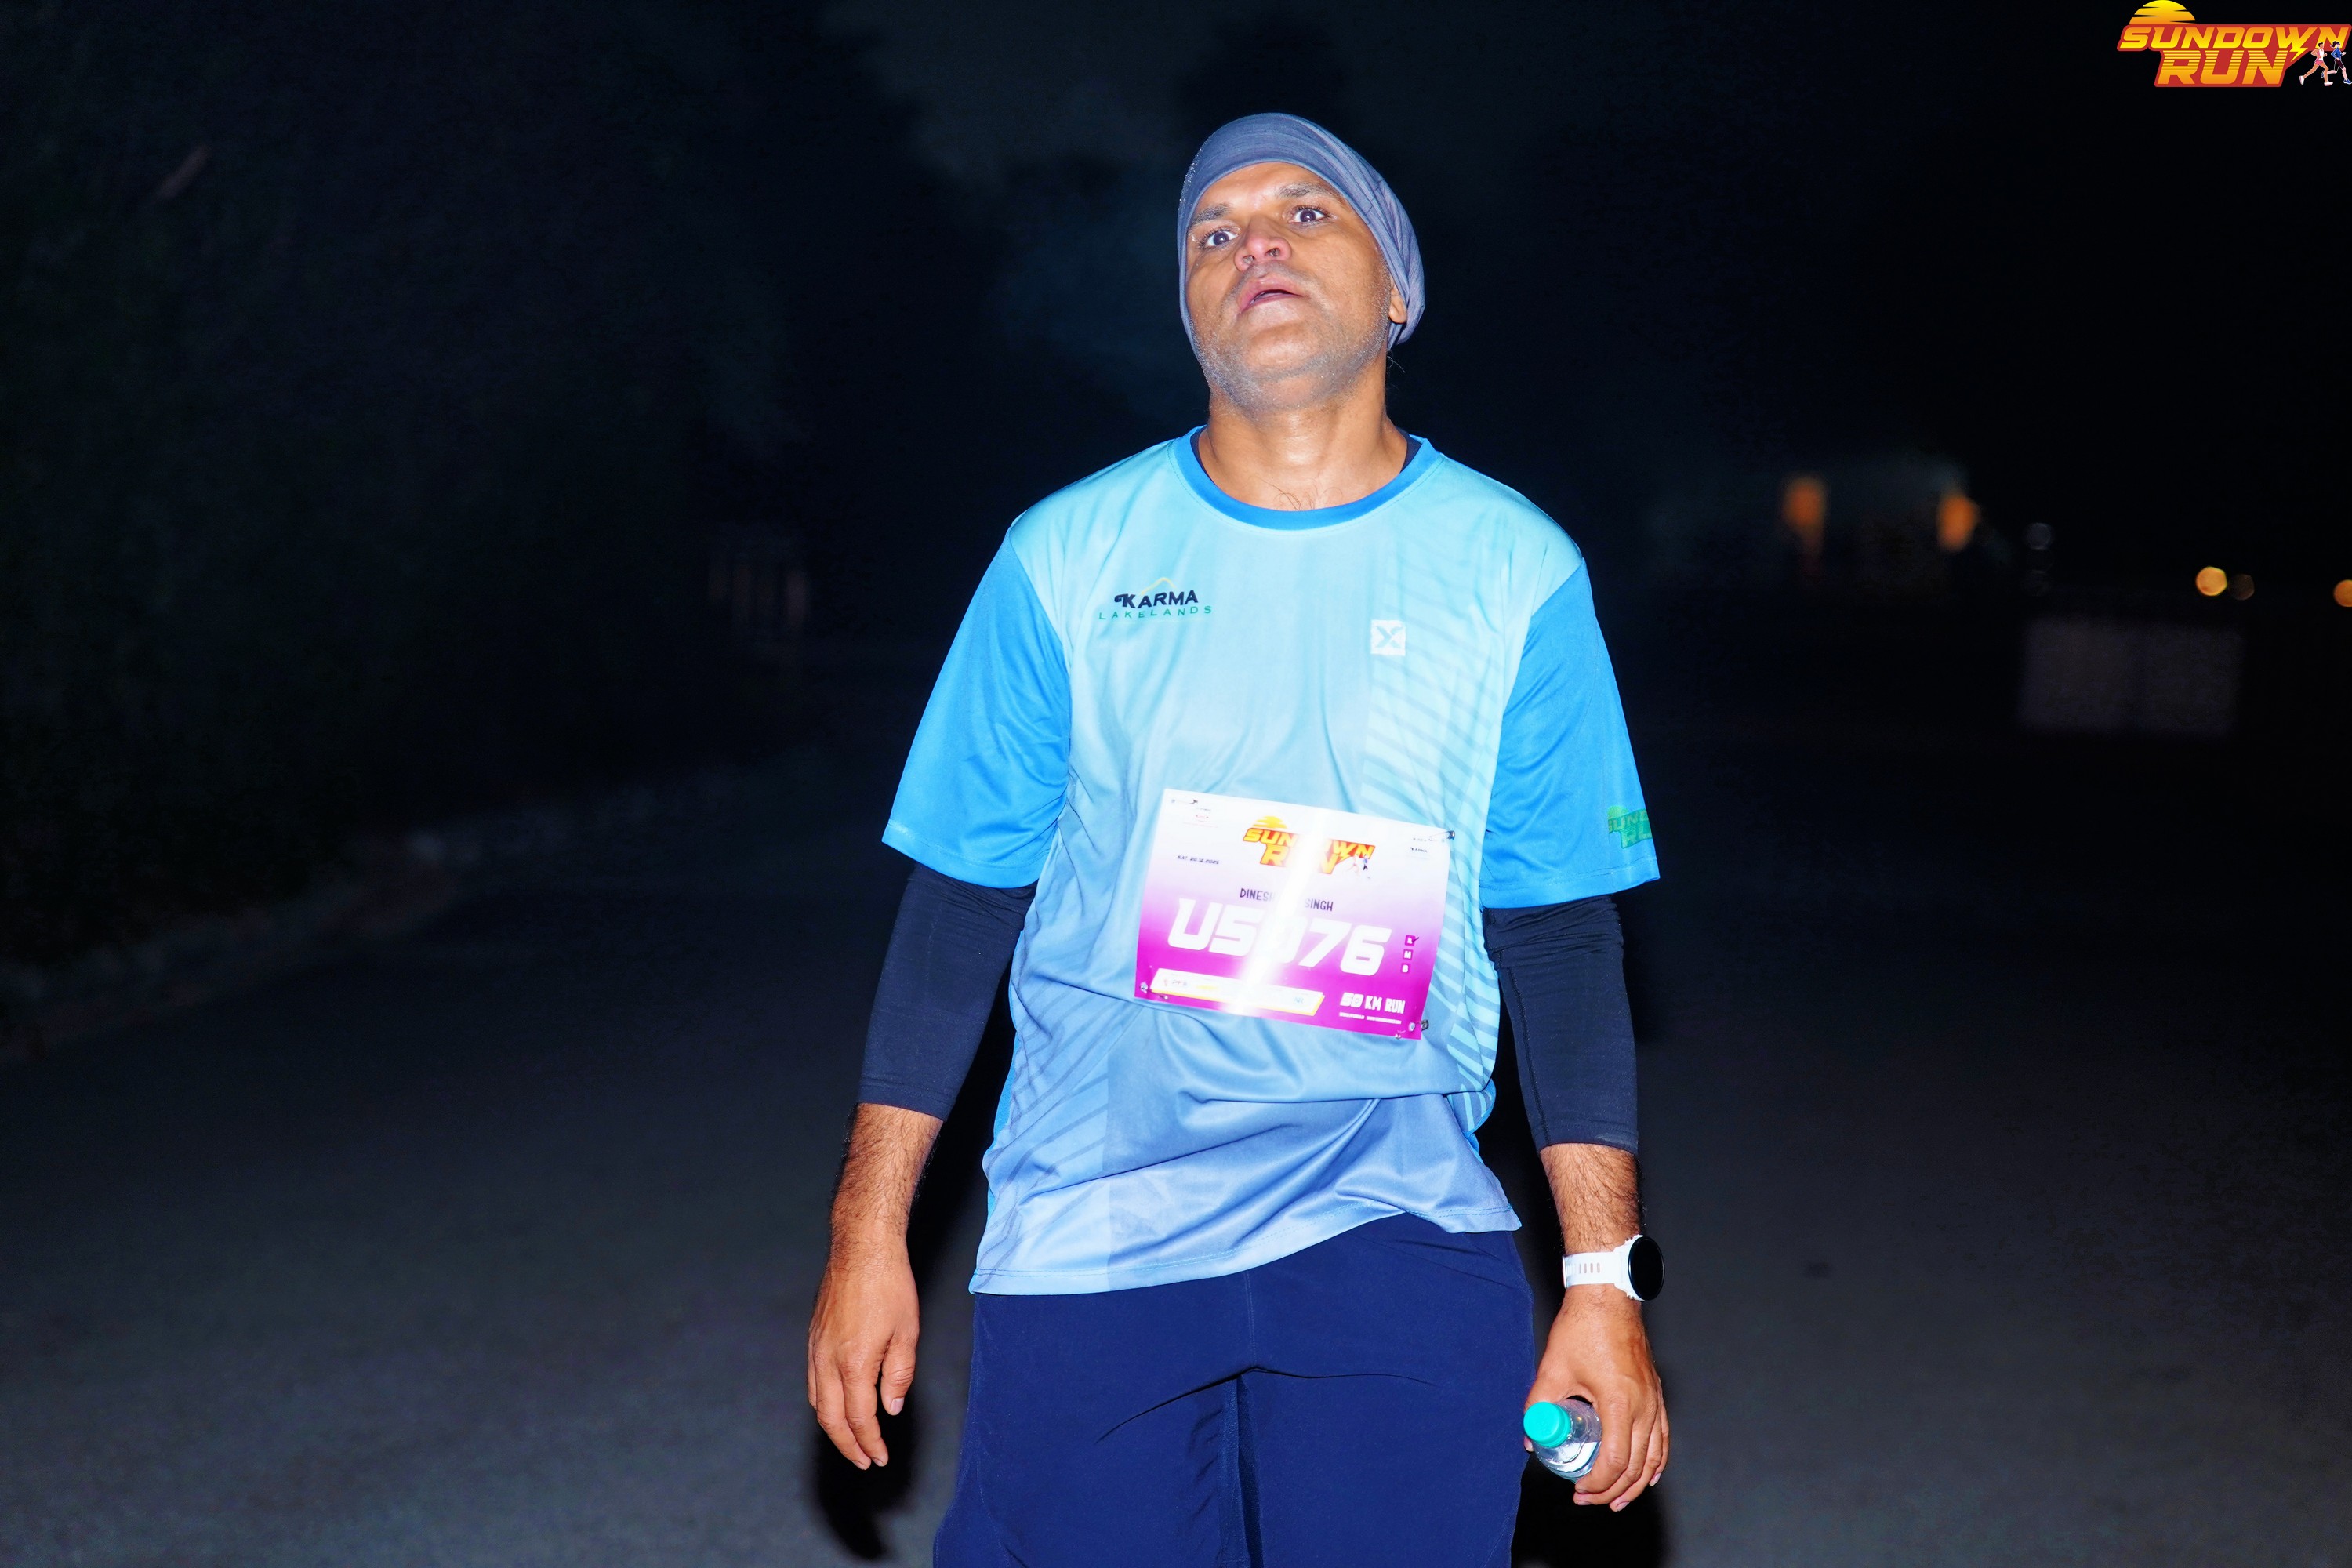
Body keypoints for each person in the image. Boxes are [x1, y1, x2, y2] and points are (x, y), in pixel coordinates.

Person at [807, 112, 1669, 1566]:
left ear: (1398, 290)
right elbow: (958, 909)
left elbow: (1564, 938)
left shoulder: (1516, 571)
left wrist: (1603, 1282)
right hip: (1094, 1226)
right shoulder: (1064, 557)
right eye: (1214, 232)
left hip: (1395, 1217)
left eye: (1306, 212)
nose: (1254, 243)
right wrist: (866, 1233)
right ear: (1190, 313)